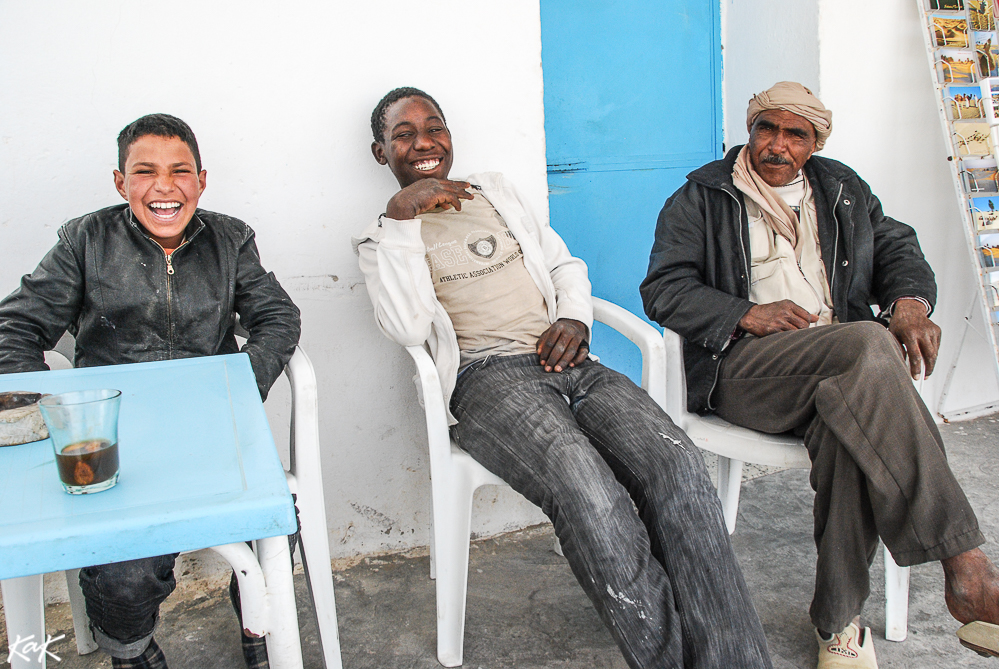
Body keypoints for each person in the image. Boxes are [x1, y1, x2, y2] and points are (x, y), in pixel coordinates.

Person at [353, 86, 773, 669]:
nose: (424, 142)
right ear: (382, 153)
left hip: (572, 362)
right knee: (589, 492)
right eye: (404, 134)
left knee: (676, 463)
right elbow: (405, 327)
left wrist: (574, 317)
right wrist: (403, 220)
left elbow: (563, 263)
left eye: (435, 127)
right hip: (490, 380)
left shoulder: (495, 193)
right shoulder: (382, 241)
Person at [641, 81, 999, 667]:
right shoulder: (702, 196)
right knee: (867, 343)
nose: (776, 145)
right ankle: (968, 567)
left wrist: (909, 300)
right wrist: (745, 313)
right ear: (751, 130)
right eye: (766, 129)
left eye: (794, 134)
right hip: (746, 372)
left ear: (814, 143)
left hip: (842, 368)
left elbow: (896, 246)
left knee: (849, 427)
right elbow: (663, 289)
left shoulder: (841, 189)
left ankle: (839, 623)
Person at [0, 114, 301, 669]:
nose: (164, 186)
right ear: (121, 184)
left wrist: (237, 386)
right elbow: (15, 328)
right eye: (145, 172)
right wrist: (56, 415)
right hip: (113, 439)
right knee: (124, 570)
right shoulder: (85, 239)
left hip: (210, 428)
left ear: (201, 181)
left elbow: (278, 317)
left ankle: (259, 626)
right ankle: (130, 650)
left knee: (277, 525)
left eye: (179, 171)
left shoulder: (231, 239)